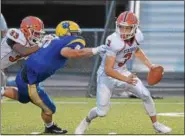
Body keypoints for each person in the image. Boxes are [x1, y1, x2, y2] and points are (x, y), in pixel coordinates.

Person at [1, 20, 106, 134]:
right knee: (50, 109)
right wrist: (96, 50)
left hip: (24, 75)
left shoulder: (51, 40)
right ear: (66, 33)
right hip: (30, 81)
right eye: (73, 33)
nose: (76, 36)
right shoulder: (64, 41)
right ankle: (49, 127)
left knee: (23, 98)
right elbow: (71, 52)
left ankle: (2, 90)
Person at [75, 11, 172, 134]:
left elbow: (135, 50)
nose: (124, 31)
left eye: (128, 28)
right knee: (101, 112)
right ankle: (86, 121)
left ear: (135, 28)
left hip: (123, 71)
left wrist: (150, 65)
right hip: (106, 76)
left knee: (146, 95)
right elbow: (108, 69)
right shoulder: (113, 41)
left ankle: (156, 124)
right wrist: (126, 79)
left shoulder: (138, 36)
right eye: (121, 27)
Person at [1, 16, 47, 100]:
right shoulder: (15, 33)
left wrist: (51, 45)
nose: (37, 36)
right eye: (35, 33)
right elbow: (23, 51)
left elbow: (37, 59)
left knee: (25, 96)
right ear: (26, 30)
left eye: (39, 34)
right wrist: (41, 45)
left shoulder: (31, 45)